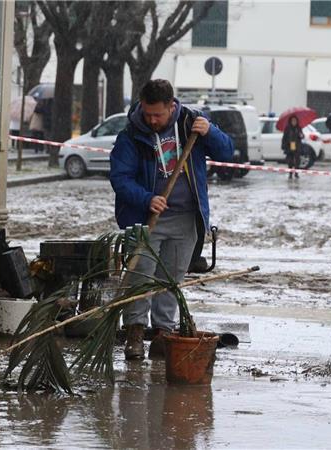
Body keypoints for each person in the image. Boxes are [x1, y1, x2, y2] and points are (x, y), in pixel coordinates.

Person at [109, 79, 234, 361]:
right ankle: (135, 333)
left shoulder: (192, 124)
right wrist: (146, 199)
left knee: (170, 280)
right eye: (147, 113)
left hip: (186, 218)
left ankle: (163, 334)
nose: (151, 120)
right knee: (140, 277)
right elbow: (120, 178)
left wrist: (210, 132)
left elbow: (227, 151)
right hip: (144, 219)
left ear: (171, 106)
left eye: (158, 115)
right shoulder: (131, 135)